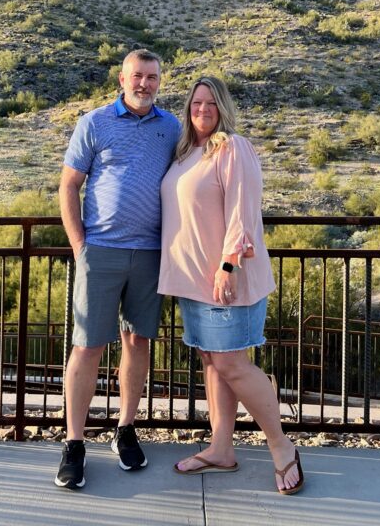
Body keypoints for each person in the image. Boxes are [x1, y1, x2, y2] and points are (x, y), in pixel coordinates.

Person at [158, 76, 304, 495]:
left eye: (211, 103)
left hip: (225, 278)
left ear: (223, 107)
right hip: (193, 282)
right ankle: (221, 449)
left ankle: (281, 446)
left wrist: (228, 264)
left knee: (232, 364)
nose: (202, 110)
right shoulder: (188, 153)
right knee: (213, 361)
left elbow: (243, 208)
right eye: (196, 103)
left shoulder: (232, 147)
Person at [55, 48, 181, 489]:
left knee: (138, 340)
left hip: (150, 253)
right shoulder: (95, 122)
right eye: (137, 76)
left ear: (159, 82)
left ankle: (125, 429)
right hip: (101, 250)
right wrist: (79, 246)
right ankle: (74, 443)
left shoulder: (172, 128)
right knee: (87, 345)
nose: (144, 83)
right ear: (121, 79)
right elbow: (69, 184)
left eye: (152, 77)